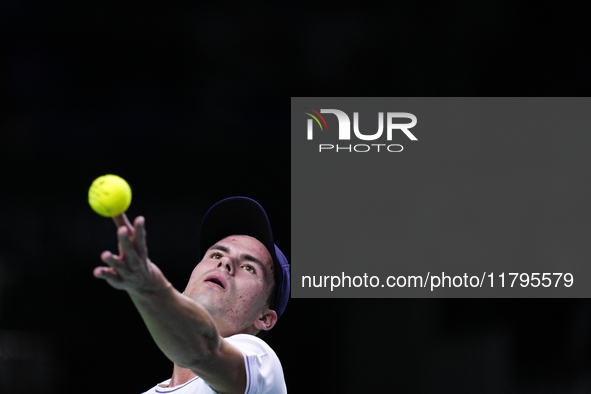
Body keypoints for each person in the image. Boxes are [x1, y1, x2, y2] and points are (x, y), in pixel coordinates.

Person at [93, 197, 290, 394]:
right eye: (216, 255)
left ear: (264, 318)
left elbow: (205, 352)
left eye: (249, 267)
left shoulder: (263, 366)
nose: (225, 263)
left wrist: (150, 288)